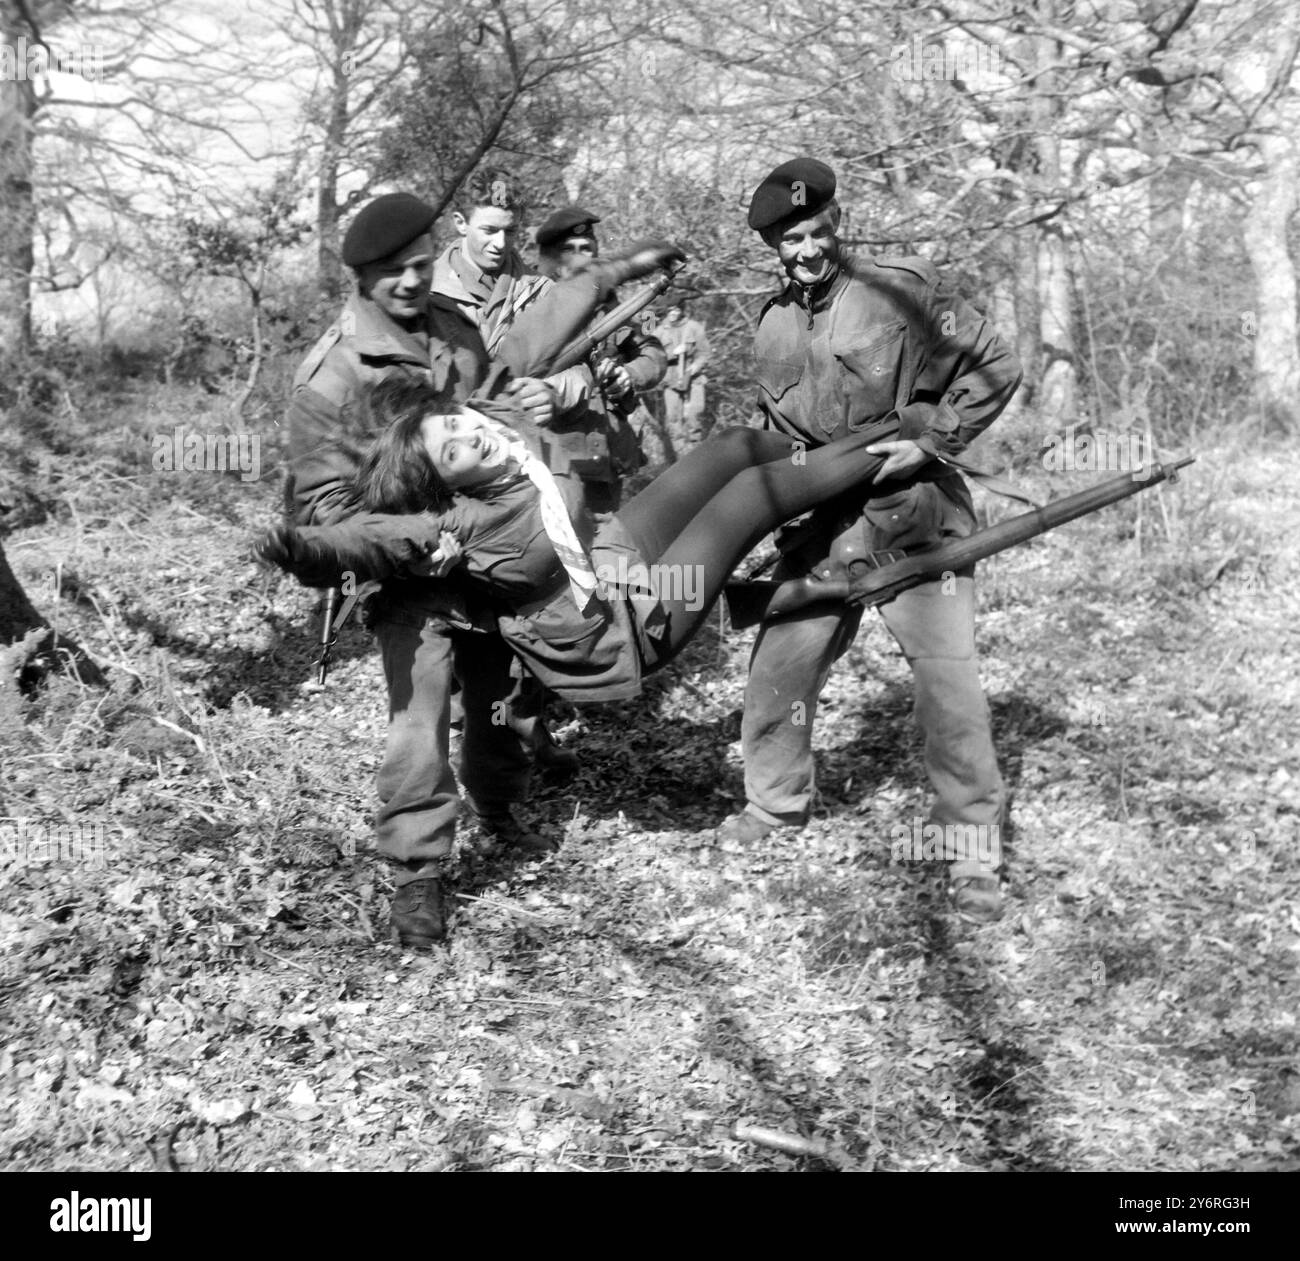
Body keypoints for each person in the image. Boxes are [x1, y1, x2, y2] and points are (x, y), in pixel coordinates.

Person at [284, 188, 680, 947]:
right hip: (412, 576)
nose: (408, 281)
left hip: (492, 546)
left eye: (419, 265)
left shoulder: (452, 324)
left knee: (500, 696)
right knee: (420, 718)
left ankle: (499, 810)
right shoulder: (330, 376)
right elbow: (323, 511)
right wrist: (417, 533)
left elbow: (508, 367)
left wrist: (609, 276)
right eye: (392, 271)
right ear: (361, 277)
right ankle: (417, 875)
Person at [717, 157, 1024, 925]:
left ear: (837, 225)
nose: (808, 250)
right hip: (824, 531)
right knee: (778, 672)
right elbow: (779, 431)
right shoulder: (772, 320)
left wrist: (934, 440)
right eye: (792, 240)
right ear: (774, 247)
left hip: (914, 520)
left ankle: (972, 857)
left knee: (948, 692)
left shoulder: (901, 288)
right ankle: (775, 804)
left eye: (818, 232)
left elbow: (995, 362)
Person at [260, 384, 925, 711]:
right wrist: (306, 551)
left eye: (463, 421)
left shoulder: (506, 437)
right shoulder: (455, 528)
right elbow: (368, 541)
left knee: (732, 447)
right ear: (444, 484)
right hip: (625, 627)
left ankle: (841, 451)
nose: (477, 434)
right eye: (457, 447)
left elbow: (548, 329)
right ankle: (902, 438)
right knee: (749, 495)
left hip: (614, 551)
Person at [534, 204, 668, 513]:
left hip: (606, 455)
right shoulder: (534, 306)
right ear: (553, 260)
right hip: (557, 458)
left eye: (587, 248)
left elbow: (653, 352)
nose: (581, 256)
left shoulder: (610, 305)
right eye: (570, 249)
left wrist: (628, 375)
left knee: (605, 549)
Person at [656, 300, 711, 446]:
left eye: (676, 310)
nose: (673, 313)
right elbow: (654, 357)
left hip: (693, 376)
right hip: (670, 378)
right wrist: (672, 353)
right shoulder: (660, 332)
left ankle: (696, 446)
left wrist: (695, 366)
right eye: (670, 310)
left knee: (696, 413)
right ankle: (678, 451)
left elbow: (704, 352)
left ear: (682, 311)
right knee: (673, 417)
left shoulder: (694, 327)